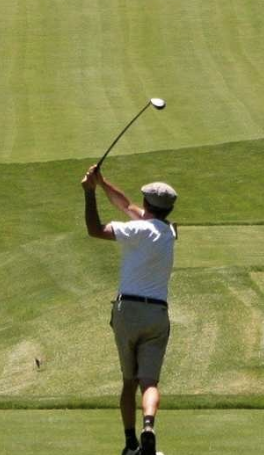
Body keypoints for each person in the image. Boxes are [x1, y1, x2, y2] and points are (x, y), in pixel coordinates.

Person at [81, 163, 178, 455]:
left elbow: (95, 230)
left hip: (128, 313)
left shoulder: (134, 229)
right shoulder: (171, 232)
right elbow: (126, 205)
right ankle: (149, 426)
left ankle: (130, 443)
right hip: (157, 315)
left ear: (147, 203)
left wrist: (89, 194)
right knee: (148, 382)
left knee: (128, 382)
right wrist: (102, 182)